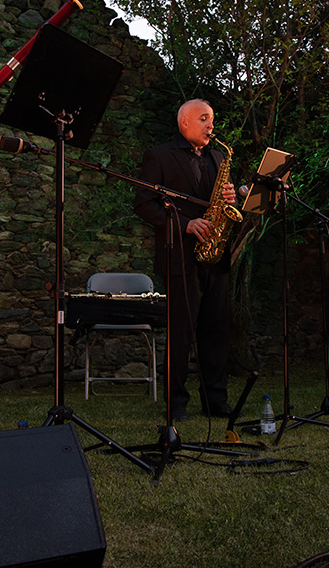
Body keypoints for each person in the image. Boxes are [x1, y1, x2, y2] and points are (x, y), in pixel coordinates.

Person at [134, 99, 237, 421]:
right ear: (185, 122)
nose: (211, 125)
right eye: (204, 119)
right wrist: (185, 224)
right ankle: (176, 402)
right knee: (181, 333)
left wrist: (231, 199)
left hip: (214, 256)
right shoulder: (159, 155)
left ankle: (215, 400)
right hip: (179, 255)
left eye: (212, 119)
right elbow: (144, 204)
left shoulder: (217, 157)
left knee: (215, 331)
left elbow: (220, 203)